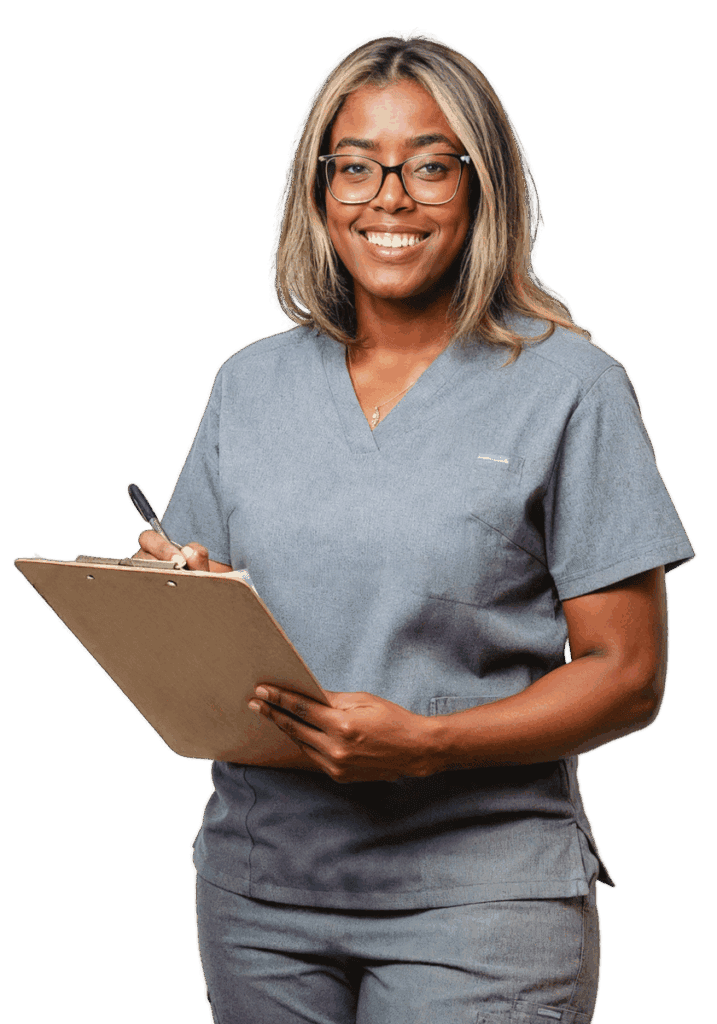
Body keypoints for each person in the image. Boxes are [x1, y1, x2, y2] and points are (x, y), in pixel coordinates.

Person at [136, 29, 694, 1024]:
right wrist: (184, 590)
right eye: (355, 166)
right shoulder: (250, 385)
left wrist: (430, 744)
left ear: (484, 189)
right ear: (318, 189)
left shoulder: (570, 389)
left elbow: (629, 672)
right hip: (261, 892)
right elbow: (208, 617)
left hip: (482, 898)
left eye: (430, 166)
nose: (388, 198)